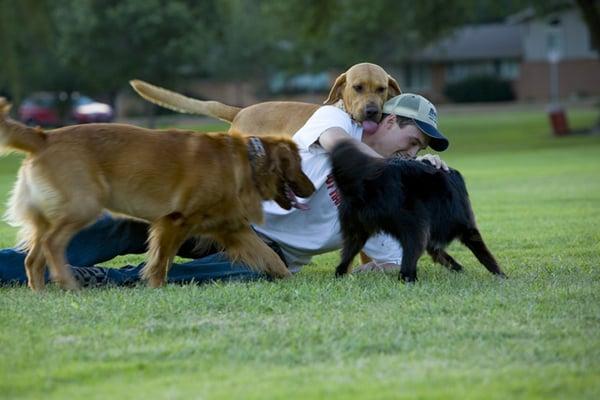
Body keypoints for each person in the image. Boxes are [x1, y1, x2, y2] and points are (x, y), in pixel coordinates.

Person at [0, 93, 449, 287]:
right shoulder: (335, 121)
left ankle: (107, 281)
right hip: (224, 209)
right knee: (122, 227)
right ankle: (19, 266)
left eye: (420, 150)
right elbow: (339, 150)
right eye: (412, 142)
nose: (411, 154)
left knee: (249, 273)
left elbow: (391, 263)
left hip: (268, 248)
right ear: (389, 122)